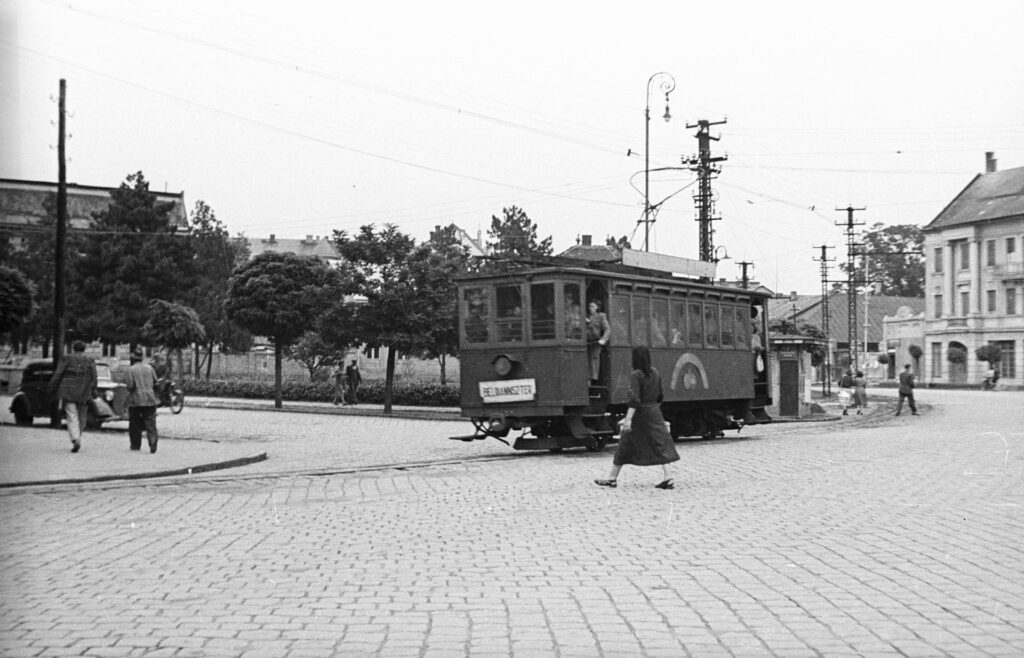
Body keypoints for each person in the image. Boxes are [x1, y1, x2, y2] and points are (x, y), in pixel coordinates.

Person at [595, 346, 679, 490]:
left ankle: (612, 478)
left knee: (624, 445)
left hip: (640, 414)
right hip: (654, 412)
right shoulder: (655, 372)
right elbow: (660, 395)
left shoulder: (636, 375)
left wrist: (628, 419)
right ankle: (668, 477)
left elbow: (634, 400)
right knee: (660, 444)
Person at [47, 340, 98, 453]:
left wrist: (51, 387)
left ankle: (75, 438)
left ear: (74, 348)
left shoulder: (67, 358)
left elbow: (58, 373)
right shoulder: (90, 360)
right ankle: (78, 436)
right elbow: (94, 377)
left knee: (71, 415)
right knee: (82, 416)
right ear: (84, 349)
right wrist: (94, 389)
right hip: (85, 391)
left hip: (68, 390)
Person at [126, 347, 160, 452]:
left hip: (136, 400)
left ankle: (135, 445)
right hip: (150, 399)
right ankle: (153, 443)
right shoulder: (150, 368)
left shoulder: (131, 369)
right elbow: (156, 382)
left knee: (134, 423)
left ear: (133, 358)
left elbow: (130, 386)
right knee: (151, 423)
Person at [585, 300, 610, 382]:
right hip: (586, 342)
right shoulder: (586, 316)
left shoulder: (601, 316)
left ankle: (592, 379)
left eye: (592, 306)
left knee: (594, 359)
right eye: (589, 306)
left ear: (596, 307)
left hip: (595, 342)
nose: (590, 308)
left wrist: (603, 339)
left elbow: (607, 329)